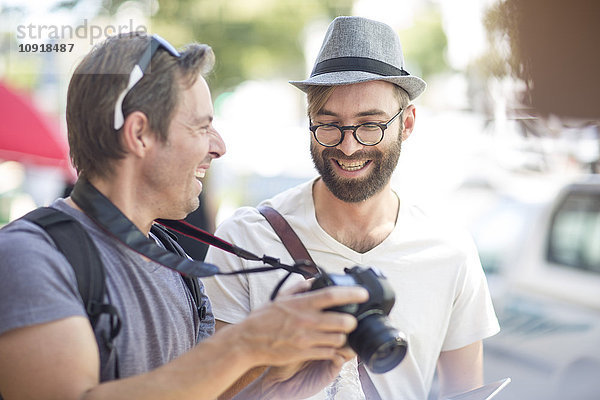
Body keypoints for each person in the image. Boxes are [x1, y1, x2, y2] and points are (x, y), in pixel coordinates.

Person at [0, 32, 370, 400]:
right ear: (140, 133)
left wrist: (278, 380)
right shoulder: (30, 257)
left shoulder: (171, 260)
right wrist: (246, 342)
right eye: (202, 126)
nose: (219, 146)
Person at [203, 16, 500, 400]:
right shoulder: (244, 240)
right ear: (309, 122)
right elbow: (210, 391)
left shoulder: (449, 250)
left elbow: (468, 391)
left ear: (406, 123)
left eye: (370, 124)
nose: (348, 147)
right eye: (329, 125)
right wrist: (279, 349)